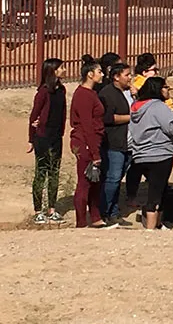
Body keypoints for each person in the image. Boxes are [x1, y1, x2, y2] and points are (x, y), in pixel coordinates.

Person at [129, 77, 173, 230]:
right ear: (159, 89)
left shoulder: (136, 107)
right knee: (155, 193)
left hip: (141, 154)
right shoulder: (158, 107)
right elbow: (172, 128)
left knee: (159, 189)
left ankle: (158, 224)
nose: (168, 90)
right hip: (160, 154)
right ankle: (151, 229)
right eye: (166, 87)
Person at [28, 58, 67, 224]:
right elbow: (34, 116)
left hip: (56, 136)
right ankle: (38, 210)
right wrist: (31, 138)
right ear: (53, 71)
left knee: (54, 173)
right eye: (61, 68)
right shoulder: (43, 92)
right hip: (43, 137)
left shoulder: (61, 90)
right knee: (41, 172)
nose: (64, 70)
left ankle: (52, 208)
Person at [70, 58, 107, 228]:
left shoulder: (91, 93)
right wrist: (94, 153)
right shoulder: (83, 95)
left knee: (95, 182)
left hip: (93, 141)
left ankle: (95, 216)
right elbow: (86, 125)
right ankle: (81, 221)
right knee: (85, 182)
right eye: (99, 72)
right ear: (90, 74)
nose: (102, 74)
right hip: (85, 142)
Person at [98, 62, 133, 226]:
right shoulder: (107, 94)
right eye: (127, 75)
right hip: (114, 143)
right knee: (112, 178)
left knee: (117, 179)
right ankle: (105, 211)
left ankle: (114, 211)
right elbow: (108, 118)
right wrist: (131, 117)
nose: (130, 77)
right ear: (116, 77)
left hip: (128, 144)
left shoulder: (128, 93)